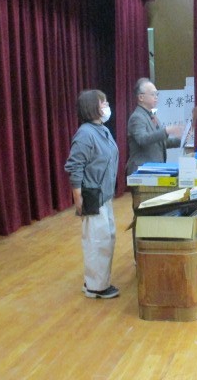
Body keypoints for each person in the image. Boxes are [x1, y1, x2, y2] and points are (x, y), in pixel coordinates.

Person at [64, 90, 120, 298]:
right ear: (91, 107)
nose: (107, 106)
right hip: (92, 195)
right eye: (102, 103)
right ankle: (96, 287)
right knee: (96, 241)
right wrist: (78, 198)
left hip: (104, 194)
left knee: (107, 238)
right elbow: (75, 167)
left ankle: (97, 280)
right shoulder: (85, 134)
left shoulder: (102, 129)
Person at [126, 78, 184, 227]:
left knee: (153, 212)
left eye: (157, 94)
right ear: (141, 97)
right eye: (153, 94)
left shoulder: (152, 116)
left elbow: (161, 142)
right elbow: (142, 139)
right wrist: (166, 131)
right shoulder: (137, 117)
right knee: (142, 213)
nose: (156, 97)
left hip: (153, 171)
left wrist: (182, 141)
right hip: (141, 171)